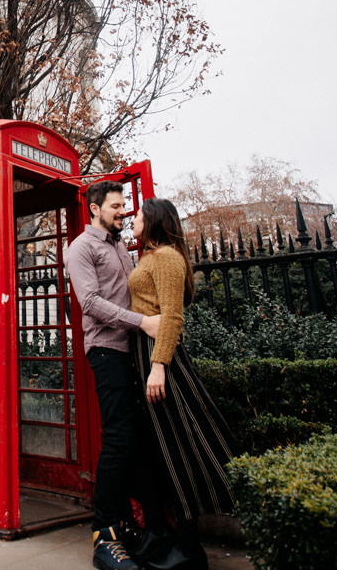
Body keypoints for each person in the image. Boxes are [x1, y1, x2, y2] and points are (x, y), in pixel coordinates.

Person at [125, 198, 235, 570]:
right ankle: (175, 539)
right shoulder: (149, 257)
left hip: (161, 358)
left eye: (138, 215)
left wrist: (158, 367)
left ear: (153, 220)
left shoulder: (167, 257)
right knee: (160, 451)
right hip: (145, 354)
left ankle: (190, 549)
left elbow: (172, 314)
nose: (133, 219)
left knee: (177, 449)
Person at [67, 180, 161, 570]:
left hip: (133, 353)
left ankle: (125, 524)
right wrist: (143, 323)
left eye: (125, 206)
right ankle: (103, 533)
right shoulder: (81, 248)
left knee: (133, 438)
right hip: (106, 350)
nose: (123, 211)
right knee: (119, 437)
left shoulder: (121, 246)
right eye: (116, 206)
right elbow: (89, 302)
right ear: (94, 208)